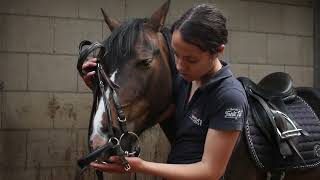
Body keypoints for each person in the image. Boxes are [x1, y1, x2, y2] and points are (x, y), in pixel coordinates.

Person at [82, 4, 248, 180]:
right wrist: (97, 84)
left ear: (218, 51)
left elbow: (210, 171)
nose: (180, 66)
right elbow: (135, 95)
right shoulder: (185, 81)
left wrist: (143, 166)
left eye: (191, 59)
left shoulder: (229, 97)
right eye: (176, 54)